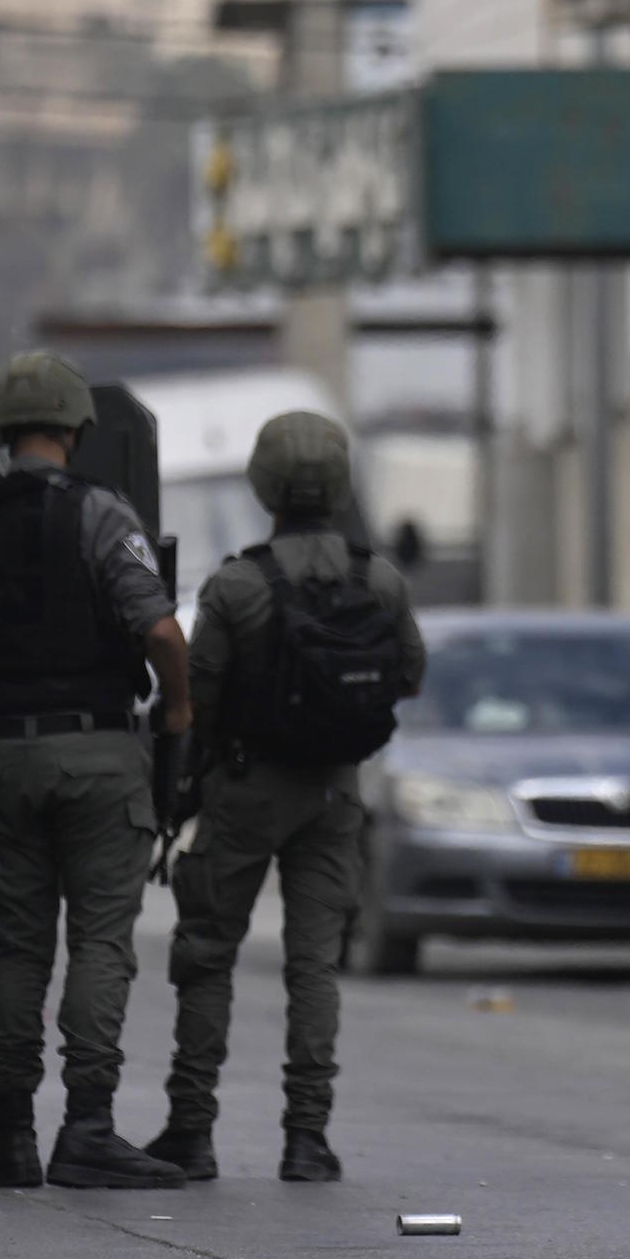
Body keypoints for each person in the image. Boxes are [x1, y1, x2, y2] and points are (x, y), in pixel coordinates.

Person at [0, 351, 193, 1191]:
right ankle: (87, 1128)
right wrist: (179, 711)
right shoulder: (101, 513)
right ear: (76, 427)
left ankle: (11, 1134)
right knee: (98, 941)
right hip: (98, 756)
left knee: (17, 945)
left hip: (1, 757)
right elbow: (162, 633)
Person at [144, 411, 423, 1185]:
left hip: (244, 789)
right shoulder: (380, 579)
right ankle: (307, 1139)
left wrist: (182, 787)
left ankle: (191, 1130)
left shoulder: (237, 583)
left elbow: (195, 698)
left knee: (207, 955)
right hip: (334, 794)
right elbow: (411, 676)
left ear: (264, 486)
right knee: (314, 968)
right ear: (339, 484)